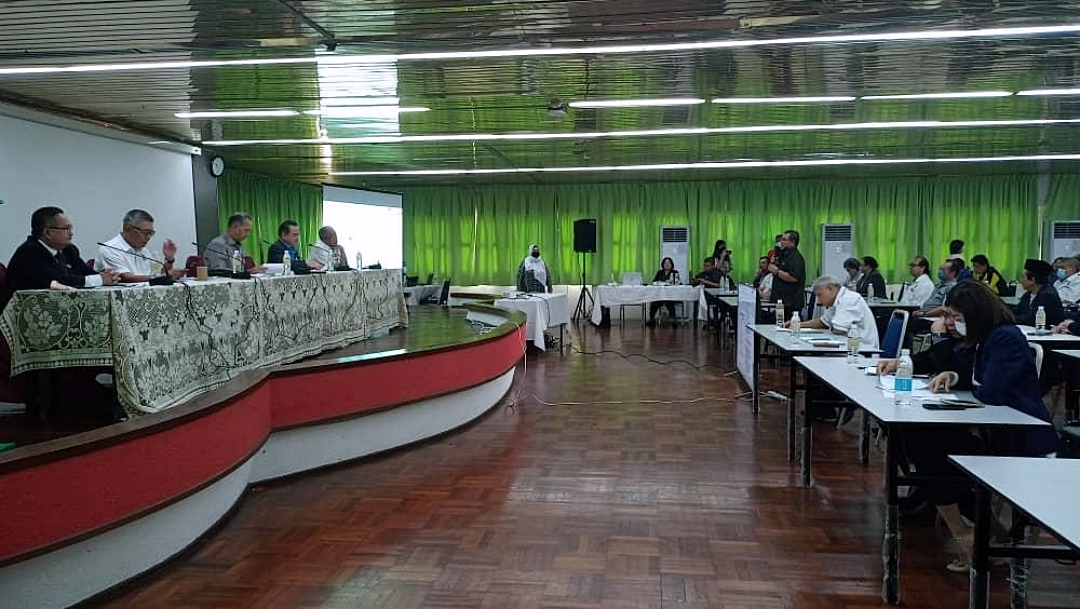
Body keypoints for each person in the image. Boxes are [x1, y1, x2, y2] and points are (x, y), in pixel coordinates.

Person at [916, 281, 1059, 572]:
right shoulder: (982, 339)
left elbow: (990, 391)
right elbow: (967, 373)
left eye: (957, 318)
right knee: (920, 437)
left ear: (975, 314)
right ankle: (984, 531)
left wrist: (965, 376)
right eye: (949, 317)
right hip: (991, 426)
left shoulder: (1004, 338)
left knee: (929, 446)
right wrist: (954, 377)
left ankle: (968, 534)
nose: (951, 323)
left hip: (1019, 434)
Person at [6, 206, 119, 291]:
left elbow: (84, 272)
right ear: (48, 232)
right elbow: (58, 281)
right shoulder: (30, 251)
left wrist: (106, 275)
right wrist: (99, 279)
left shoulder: (68, 250)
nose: (71, 233)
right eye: (66, 229)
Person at [787, 275, 879, 350]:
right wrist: (797, 324)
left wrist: (830, 327)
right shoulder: (837, 299)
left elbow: (839, 330)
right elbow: (822, 322)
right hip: (846, 347)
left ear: (830, 289)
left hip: (862, 351)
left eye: (820, 295)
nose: (818, 300)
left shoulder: (849, 299)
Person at [95, 209, 185, 282]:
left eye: (151, 233)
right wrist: (165, 276)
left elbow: (157, 275)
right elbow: (126, 277)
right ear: (128, 229)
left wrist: (169, 260)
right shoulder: (109, 249)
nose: (149, 237)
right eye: (146, 233)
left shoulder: (143, 250)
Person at [1014, 258, 1066, 328]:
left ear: (1032, 280)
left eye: (1023, 277)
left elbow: (1032, 319)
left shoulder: (1047, 295)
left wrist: (1011, 318)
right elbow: (1017, 311)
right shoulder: (1029, 294)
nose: (1021, 280)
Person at [768, 229, 806, 318]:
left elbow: (793, 277)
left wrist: (776, 271)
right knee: (779, 324)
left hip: (791, 303)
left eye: (784, 240)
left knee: (787, 326)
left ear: (792, 242)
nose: (781, 242)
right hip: (782, 302)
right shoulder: (785, 255)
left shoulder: (795, 257)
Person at [648, 257, 678, 327]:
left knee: (670, 304)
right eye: (665, 263)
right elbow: (654, 282)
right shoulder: (660, 272)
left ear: (671, 264)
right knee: (654, 304)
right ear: (663, 264)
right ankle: (652, 320)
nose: (667, 264)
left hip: (670, 296)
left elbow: (678, 283)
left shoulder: (675, 272)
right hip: (660, 295)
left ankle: (674, 321)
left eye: (668, 263)